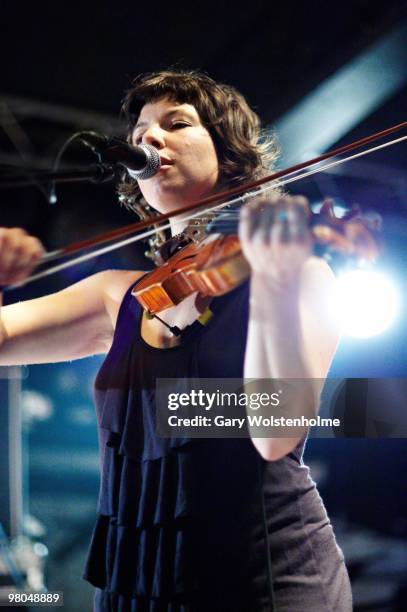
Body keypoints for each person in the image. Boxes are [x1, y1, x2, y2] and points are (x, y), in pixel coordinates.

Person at [0, 70, 352, 611]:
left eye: (176, 123)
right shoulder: (119, 296)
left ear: (229, 153)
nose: (148, 140)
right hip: (135, 585)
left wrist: (278, 277)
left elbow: (276, 431)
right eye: (140, 132)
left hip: (266, 584)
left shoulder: (294, 274)